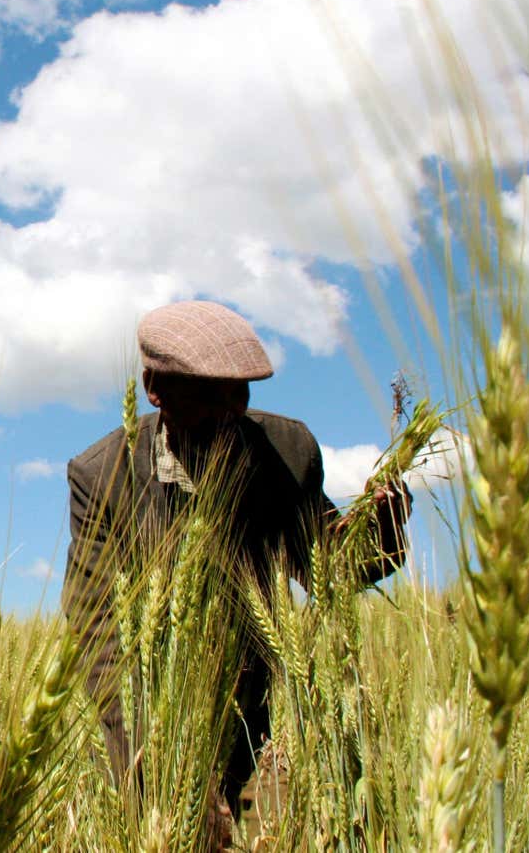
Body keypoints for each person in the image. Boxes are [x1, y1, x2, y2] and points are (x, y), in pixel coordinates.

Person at [61, 300, 409, 841]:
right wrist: (160, 773)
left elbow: (327, 570)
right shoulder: (103, 477)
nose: (229, 411)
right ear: (155, 388)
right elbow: (97, 630)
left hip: (264, 722)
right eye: (207, 393)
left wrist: (380, 537)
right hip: (153, 733)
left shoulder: (285, 453)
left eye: (240, 392)